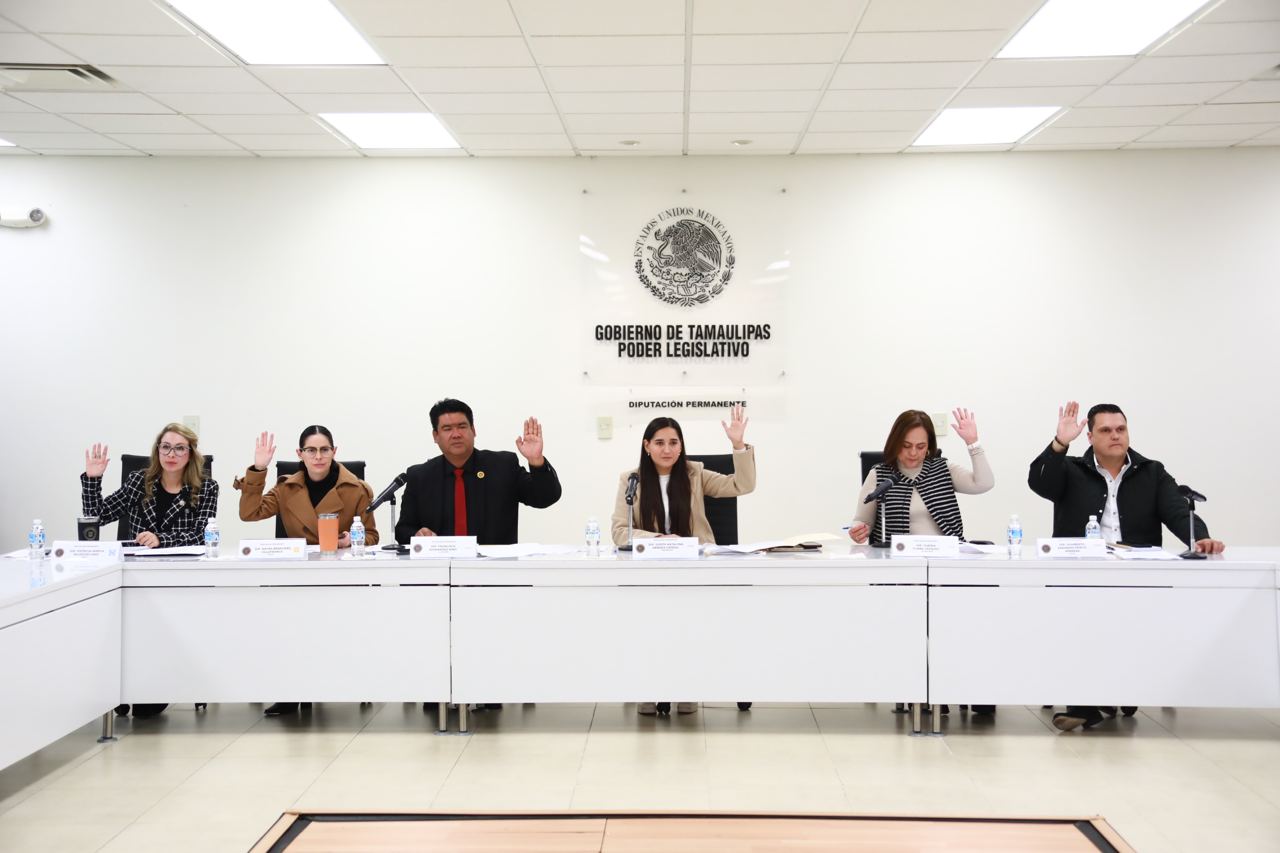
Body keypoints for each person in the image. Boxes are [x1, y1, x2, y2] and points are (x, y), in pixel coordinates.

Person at [1029, 401, 1225, 732]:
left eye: (1121, 429)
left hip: (1136, 573)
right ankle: (1085, 704)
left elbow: (1177, 511)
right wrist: (1060, 443)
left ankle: (1103, 696)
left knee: (1122, 622)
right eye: (1106, 430)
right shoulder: (1071, 470)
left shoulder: (1151, 472)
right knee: (1083, 622)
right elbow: (1039, 482)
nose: (1115, 435)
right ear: (1090, 436)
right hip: (1081, 572)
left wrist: (1200, 538)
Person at [396, 399, 562, 714]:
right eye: (447, 428)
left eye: (462, 426)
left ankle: (489, 688)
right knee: (440, 635)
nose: (456, 434)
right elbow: (403, 529)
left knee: (489, 638)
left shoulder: (503, 465)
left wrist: (536, 462)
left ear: (474, 430)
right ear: (435, 436)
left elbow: (545, 498)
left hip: (492, 576)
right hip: (440, 579)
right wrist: (417, 533)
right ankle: (439, 690)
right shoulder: (420, 476)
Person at [610, 404, 756, 716]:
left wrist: (738, 446)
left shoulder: (695, 473)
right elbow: (620, 532)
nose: (667, 449)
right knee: (650, 628)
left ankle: (687, 686)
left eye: (673, 442)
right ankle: (649, 687)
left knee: (691, 627)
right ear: (647, 446)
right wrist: (658, 539)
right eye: (659, 442)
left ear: (681, 446)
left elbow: (742, 485)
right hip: (650, 571)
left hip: (695, 568)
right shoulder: (631, 480)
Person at [848, 408, 995, 717]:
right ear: (894, 444)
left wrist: (973, 443)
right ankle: (919, 688)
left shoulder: (942, 469)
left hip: (945, 569)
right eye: (906, 446)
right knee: (912, 623)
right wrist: (858, 531)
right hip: (902, 573)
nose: (913, 453)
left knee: (958, 621)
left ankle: (960, 684)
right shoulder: (880, 474)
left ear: (930, 446)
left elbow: (984, 484)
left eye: (920, 446)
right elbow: (862, 522)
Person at [234, 424, 381, 717]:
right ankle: (291, 691)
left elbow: (372, 536)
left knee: (331, 628)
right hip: (298, 575)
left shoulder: (357, 489)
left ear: (334, 451)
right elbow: (249, 513)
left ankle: (335, 683)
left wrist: (350, 540)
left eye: (324, 450)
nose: (318, 456)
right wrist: (259, 469)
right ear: (300, 454)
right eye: (311, 450)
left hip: (340, 576)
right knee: (288, 626)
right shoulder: (286, 488)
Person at [82, 422, 219, 718]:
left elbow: (202, 535)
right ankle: (126, 685)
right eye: (165, 447)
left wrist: (161, 540)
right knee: (127, 627)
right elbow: (97, 516)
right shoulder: (139, 481)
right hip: (137, 576)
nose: (171, 454)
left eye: (179, 448)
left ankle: (155, 685)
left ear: (191, 453)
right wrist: (93, 479)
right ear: (157, 451)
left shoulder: (206, 487)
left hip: (181, 578)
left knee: (148, 702)